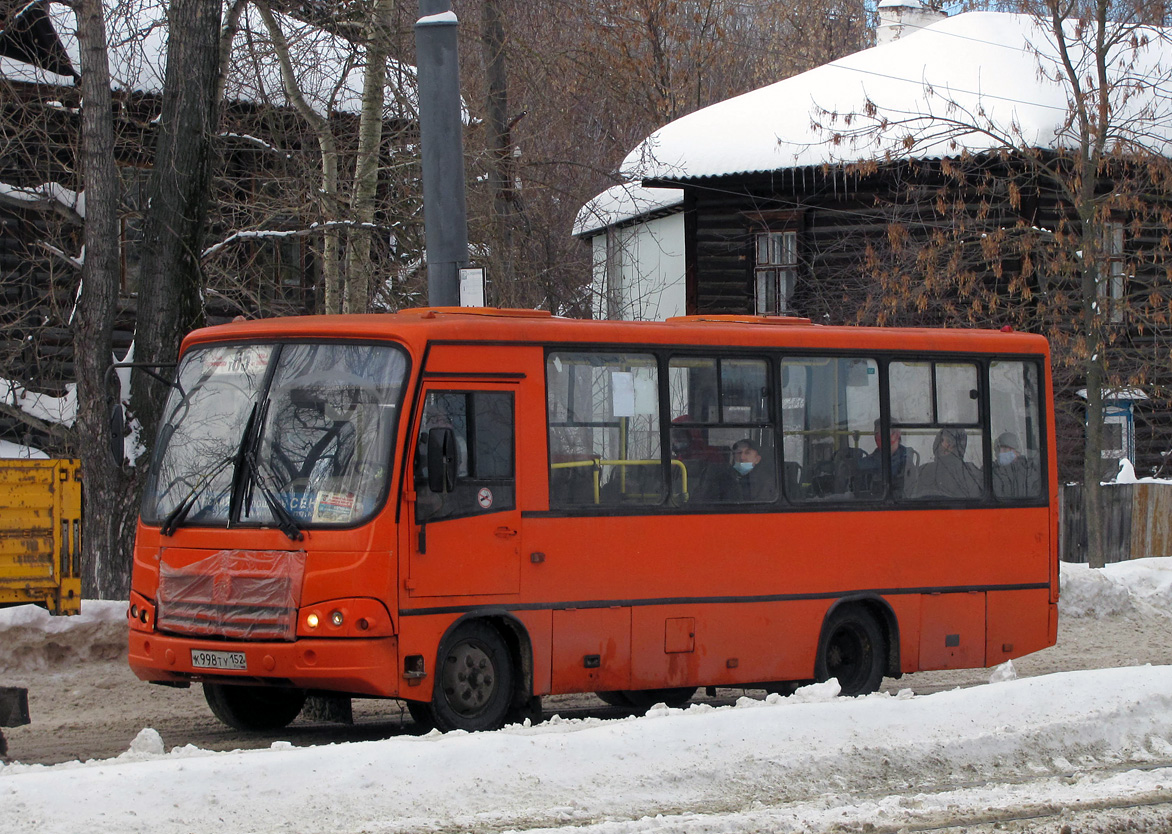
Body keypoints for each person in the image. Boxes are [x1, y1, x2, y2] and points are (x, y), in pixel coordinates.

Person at [909, 427, 982, 499]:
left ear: (958, 446)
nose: (944, 445)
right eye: (941, 440)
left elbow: (973, 502)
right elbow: (911, 497)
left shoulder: (969, 473)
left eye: (949, 441)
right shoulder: (924, 470)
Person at [704, 438, 776, 502]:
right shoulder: (721, 478)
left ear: (757, 459)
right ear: (733, 457)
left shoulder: (766, 481)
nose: (742, 457)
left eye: (747, 453)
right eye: (738, 453)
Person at [857, 421, 913, 496]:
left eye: (882, 433)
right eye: (876, 434)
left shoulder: (904, 460)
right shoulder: (874, 457)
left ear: (896, 434)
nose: (879, 437)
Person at [992, 431, 1040, 498]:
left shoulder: (1029, 472)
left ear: (1016, 452)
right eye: (998, 450)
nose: (1000, 453)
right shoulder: (992, 472)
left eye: (1005, 449)